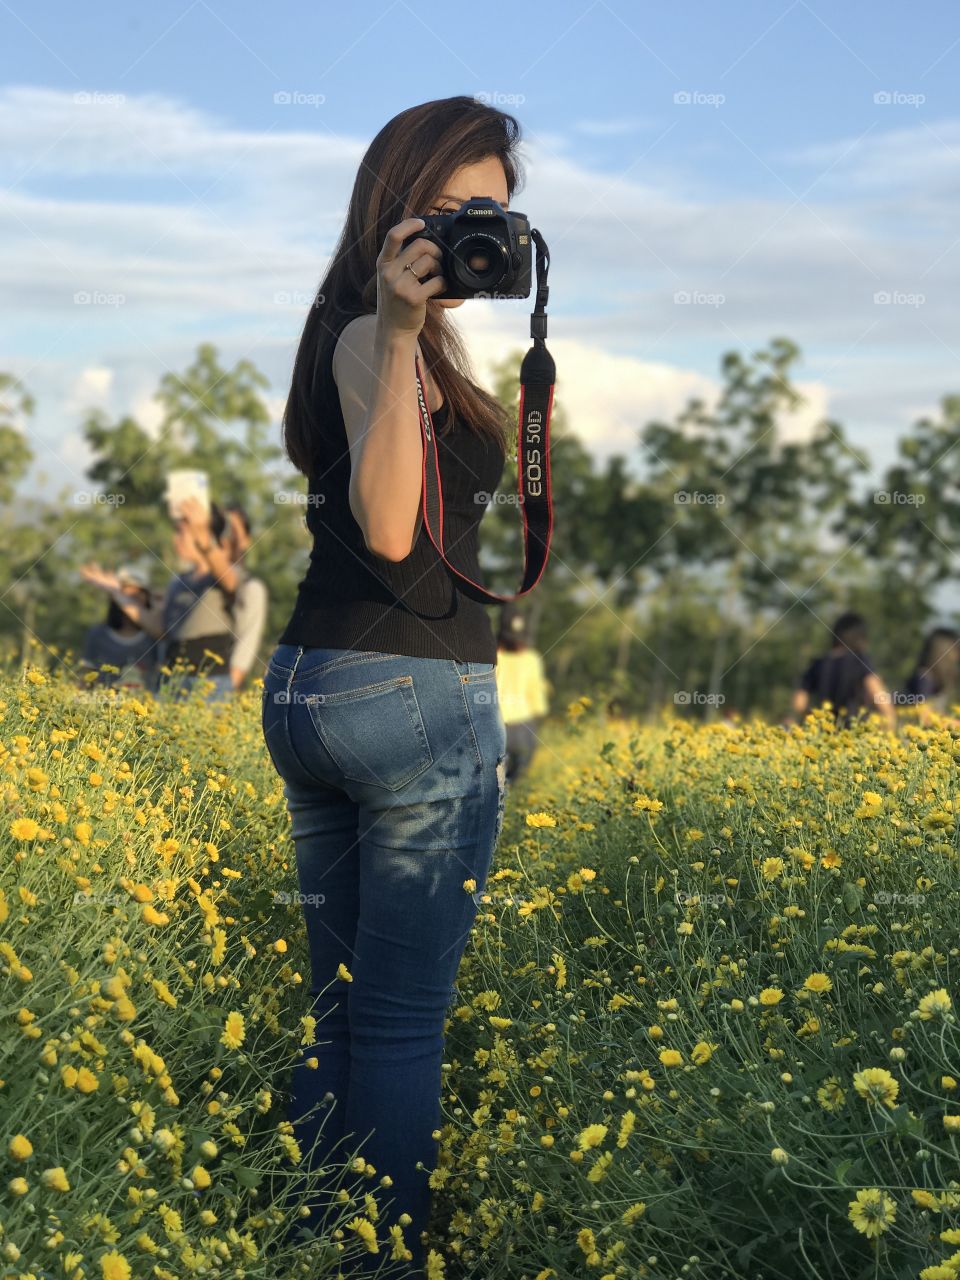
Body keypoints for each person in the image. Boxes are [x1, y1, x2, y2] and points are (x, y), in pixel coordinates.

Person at [260, 97, 523, 1274]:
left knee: (343, 1012)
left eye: (503, 219)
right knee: (402, 1023)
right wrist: (409, 332)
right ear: (398, 198)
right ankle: (379, 1263)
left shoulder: (341, 326)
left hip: (314, 686)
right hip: (413, 694)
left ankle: (324, 1240)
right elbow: (388, 525)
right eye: (466, 209)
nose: (486, 236)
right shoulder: (380, 332)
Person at [792, 611, 895, 731]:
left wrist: (813, 721)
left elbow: (799, 704)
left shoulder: (818, 663)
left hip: (824, 733)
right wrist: (890, 720)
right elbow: (877, 693)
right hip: (855, 734)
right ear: (860, 637)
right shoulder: (860, 660)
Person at [77, 563, 156, 690]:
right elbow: (86, 677)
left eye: (139, 593)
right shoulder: (97, 634)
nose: (133, 599)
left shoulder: (155, 637)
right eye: (127, 594)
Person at [494, 605, 549, 782]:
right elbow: (538, 704)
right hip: (525, 728)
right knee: (518, 781)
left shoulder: (492, 657)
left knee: (495, 782)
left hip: (496, 724)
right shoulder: (532, 658)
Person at [224, 502, 268, 689]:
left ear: (246, 539)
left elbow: (243, 652)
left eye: (232, 529)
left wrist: (219, 701)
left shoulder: (251, 588)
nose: (226, 536)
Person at [902, 627, 960, 719]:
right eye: (956, 650)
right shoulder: (924, 679)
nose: (957, 657)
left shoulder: (938, 681)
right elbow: (924, 715)